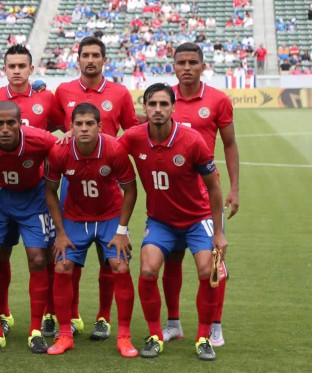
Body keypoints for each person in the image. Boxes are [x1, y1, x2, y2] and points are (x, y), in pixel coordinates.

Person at [118, 83, 227, 361]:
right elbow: (107, 147)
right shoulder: (133, 137)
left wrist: (219, 232)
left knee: (206, 271)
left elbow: (214, 187)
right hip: (161, 221)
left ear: (173, 108)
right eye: (152, 104)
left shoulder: (191, 140)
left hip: (196, 218)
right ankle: (156, 334)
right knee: (147, 270)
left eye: (163, 104)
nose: (157, 110)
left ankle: (203, 338)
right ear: (144, 107)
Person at [51, 35, 140, 340]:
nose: (90, 60)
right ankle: (71, 316)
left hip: (108, 182)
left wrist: (115, 153)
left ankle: (103, 317)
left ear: (105, 60)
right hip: (74, 181)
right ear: (78, 59)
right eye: (85, 55)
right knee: (69, 258)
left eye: (96, 55)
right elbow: (53, 124)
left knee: (109, 259)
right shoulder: (63, 91)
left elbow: (131, 130)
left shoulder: (120, 92)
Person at [44, 103, 138, 357]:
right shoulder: (59, 151)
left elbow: (131, 190)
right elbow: (50, 192)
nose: (84, 129)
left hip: (110, 217)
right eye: (78, 124)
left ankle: (124, 337)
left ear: (99, 126)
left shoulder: (115, 149)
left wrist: (121, 230)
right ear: (71, 127)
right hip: (75, 218)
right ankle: (65, 334)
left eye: (89, 124)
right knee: (62, 265)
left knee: (119, 265)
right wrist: (60, 233)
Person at [162, 42, 239, 348]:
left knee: (213, 265)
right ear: (174, 66)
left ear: (203, 66)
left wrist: (234, 188)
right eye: (181, 62)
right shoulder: (164, 99)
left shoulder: (218, 100)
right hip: (170, 195)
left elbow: (230, 144)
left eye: (193, 62)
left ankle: (215, 325)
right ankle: (173, 324)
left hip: (208, 196)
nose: (187, 67)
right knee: (172, 260)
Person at [0, 101, 56, 354]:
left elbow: (61, 152)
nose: (5, 128)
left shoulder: (40, 140)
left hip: (32, 199)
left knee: (38, 259)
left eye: (11, 123)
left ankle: (36, 330)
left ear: (20, 123)